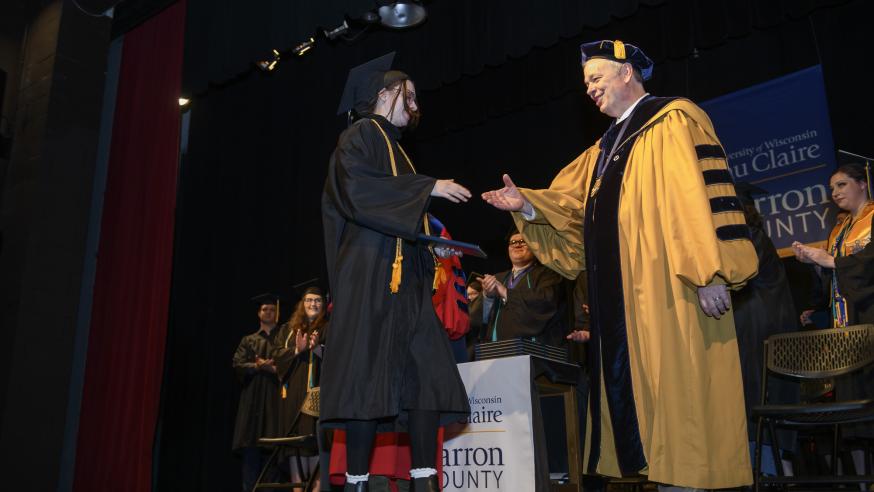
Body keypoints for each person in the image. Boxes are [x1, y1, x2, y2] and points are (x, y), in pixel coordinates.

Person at [482, 40, 758, 490]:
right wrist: (527, 207)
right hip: (625, 297)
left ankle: (688, 482)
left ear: (627, 72)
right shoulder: (601, 150)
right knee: (646, 394)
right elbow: (568, 208)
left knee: (681, 386)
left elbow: (697, 198)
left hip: (675, 284)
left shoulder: (674, 119)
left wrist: (710, 272)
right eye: (586, 83)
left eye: (596, 78)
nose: (589, 89)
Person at [320, 53, 471, 492]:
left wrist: (432, 244)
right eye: (410, 95)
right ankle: (357, 482)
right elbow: (358, 194)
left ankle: (424, 479)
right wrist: (429, 186)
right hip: (369, 276)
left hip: (406, 283)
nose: (415, 104)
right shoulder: (358, 137)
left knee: (425, 372)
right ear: (385, 94)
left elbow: (404, 213)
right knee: (367, 378)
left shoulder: (399, 151)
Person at [792, 162, 874, 473]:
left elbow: (867, 263)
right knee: (853, 411)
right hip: (846, 326)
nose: (835, 193)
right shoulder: (839, 228)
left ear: (862, 184)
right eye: (831, 189)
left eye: (841, 185)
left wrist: (830, 260)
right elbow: (833, 274)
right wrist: (816, 264)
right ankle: (862, 482)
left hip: (870, 316)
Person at [273, 286, 329, 491]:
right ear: (302, 304)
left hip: (316, 400)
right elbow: (278, 358)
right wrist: (297, 350)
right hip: (293, 401)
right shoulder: (289, 330)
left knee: (315, 455)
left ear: (323, 305)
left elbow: (339, 358)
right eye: (308, 300)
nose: (312, 304)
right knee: (294, 455)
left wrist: (317, 350)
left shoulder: (327, 327)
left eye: (317, 300)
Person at [478, 230, 567, 346]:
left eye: (523, 241)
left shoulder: (549, 275)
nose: (517, 245)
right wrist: (487, 296)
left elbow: (546, 301)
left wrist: (506, 293)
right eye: (513, 242)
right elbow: (480, 321)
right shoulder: (497, 279)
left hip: (534, 352)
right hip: (497, 350)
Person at [233, 293, 282, 492]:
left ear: (276, 313)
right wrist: (257, 365)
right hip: (252, 406)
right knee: (250, 465)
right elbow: (237, 365)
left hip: (274, 404)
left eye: (272, 309)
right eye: (265, 309)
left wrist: (273, 368)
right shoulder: (249, 340)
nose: (268, 312)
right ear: (258, 313)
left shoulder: (282, 339)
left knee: (274, 464)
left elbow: (289, 364)